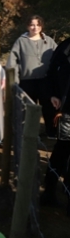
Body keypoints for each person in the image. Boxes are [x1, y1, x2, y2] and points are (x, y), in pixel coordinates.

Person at [7, 15, 58, 137]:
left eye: (38, 25)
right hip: (27, 81)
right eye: (32, 25)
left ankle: (51, 132)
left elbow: (58, 57)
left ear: (41, 26)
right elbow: (12, 61)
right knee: (28, 109)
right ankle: (30, 134)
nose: (35, 27)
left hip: (46, 81)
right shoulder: (21, 41)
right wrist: (13, 80)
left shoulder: (49, 41)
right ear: (28, 26)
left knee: (49, 107)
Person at [43, 36, 70, 214]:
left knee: (62, 151)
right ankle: (50, 193)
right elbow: (51, 74)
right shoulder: (65, 47)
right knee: (62, 151)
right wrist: (53, 94)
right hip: (66, 112)